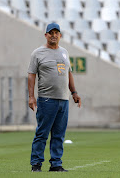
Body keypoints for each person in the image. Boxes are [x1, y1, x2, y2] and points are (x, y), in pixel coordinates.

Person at [28, 22, 81, 172]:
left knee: (59, 134)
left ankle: (56, 164)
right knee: (42, 133)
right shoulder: (37, 53)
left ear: (60, 35)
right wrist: (31, 97)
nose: (54, 35)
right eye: (51, 33)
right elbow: (31, 75)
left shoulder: (64, 52)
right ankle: (36, 164)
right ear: (46, 35)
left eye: (56, 32)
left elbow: (68, 73)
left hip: (63, 100)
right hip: (46, 99)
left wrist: (74, 92)